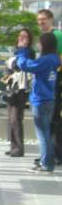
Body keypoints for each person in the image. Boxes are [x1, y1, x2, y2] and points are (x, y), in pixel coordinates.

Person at [16, 32, 60, 172]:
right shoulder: (54, 58)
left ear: (45, 44)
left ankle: (46, 163)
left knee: (43, 134)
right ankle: (47, 161)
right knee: (46, 132)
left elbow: (24, 65)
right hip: (49, 99)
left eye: (40, 43)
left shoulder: (45, 60)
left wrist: (21, 50)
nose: (38, 45)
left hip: (40, 100)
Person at [35, 9, 62, 166]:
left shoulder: (57, 35)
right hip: (47, 81)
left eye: (44, 19)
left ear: (51, 19)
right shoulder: (44, 36)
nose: (41, 22)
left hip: (55, 81)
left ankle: (54, 155)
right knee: (48, 120)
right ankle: (48, 154)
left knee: (53, 119)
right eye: (39, 19)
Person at [3, 29, 34, 157]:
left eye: (25, 36)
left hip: (21, 88)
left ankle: (18, 148)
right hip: (11, 87)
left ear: (29, 39)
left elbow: (21, 65)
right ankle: (13, 146)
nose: (22, 38)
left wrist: (22, 49)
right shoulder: (15, 51)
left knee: (16, 118)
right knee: (11, 118)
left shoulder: (29, 52)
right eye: (20, 36)